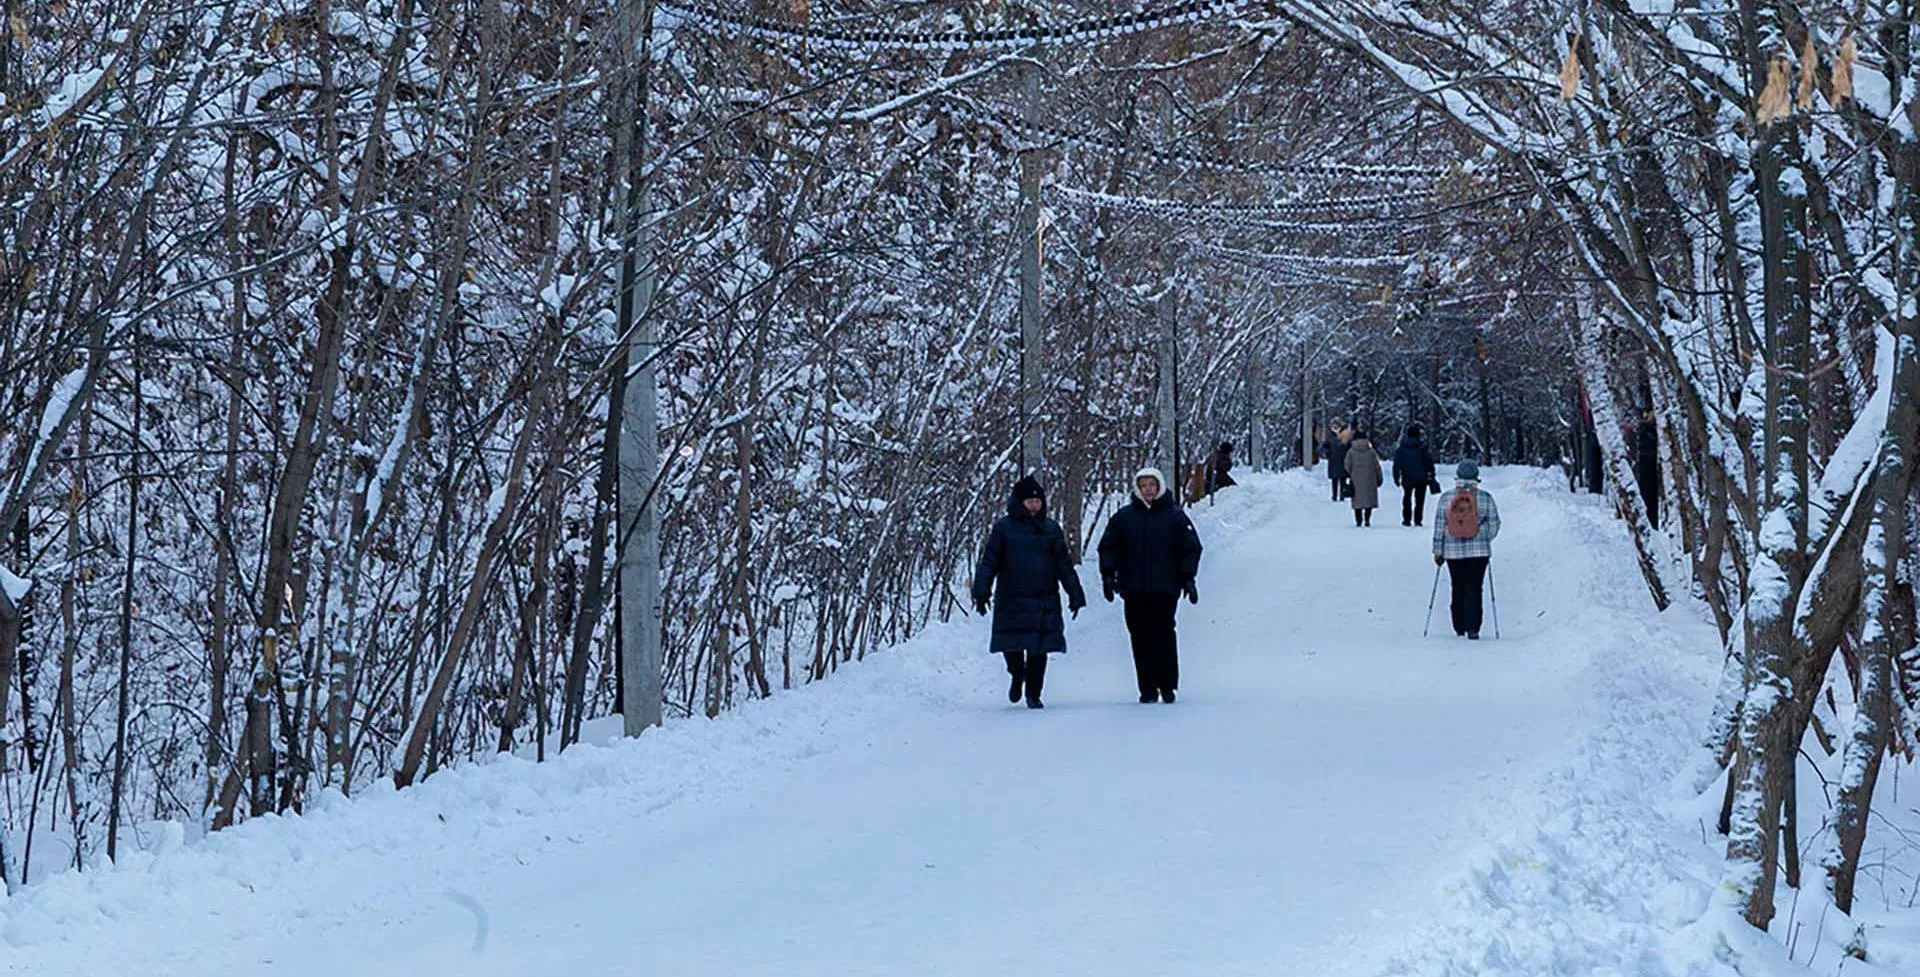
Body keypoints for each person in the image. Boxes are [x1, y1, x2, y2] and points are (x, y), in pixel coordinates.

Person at [972, 475, 1086, 709]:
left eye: (1038, 501)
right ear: (1019, 502)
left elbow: (1064, 565)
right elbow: (990, 561)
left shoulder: (1051, 529)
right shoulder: (1004, 528)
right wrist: (981, 591)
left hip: (1044, 597)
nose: (1034, 505)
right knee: (1011, 645)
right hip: (1011, 597)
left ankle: (1034, 694)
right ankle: (1016, 673)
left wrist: (1075, 594)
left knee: (1039, 649)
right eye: (1029, 501)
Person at [1098, 468, 1203, 704]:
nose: (1148, 490)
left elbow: (1191, 547)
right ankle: (1147, 687)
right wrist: (1108, 575)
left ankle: (1166, 684)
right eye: (1144, 485)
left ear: (1160, 487)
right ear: (1137, 488)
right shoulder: (1124, 518)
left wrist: (1188, 578)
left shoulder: (1175, 517)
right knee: (1139, 636)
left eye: (1152, 485)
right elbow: (1108, 547)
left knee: (1164, 634)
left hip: (1165, 588)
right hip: (1133, 588)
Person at [1432, 461, 1501, 640]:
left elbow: (1440, 526)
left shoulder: (1446, 498)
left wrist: (1438, 551)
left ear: (1458, 477)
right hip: (1479, 552)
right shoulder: (1485, 498)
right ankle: (1473, 628)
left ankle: (1459, 626)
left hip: (1453, 552)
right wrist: (1482, 537)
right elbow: (1494, 524)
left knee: (1457, 586)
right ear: (1476, 478)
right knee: (1475, 587)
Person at [1392, 424, 1438, 527]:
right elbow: (1429, 463)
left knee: (1407, 497)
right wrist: (1432, 475)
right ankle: (1418, 520)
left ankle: (1406, 519)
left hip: (1407, 477)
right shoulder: (1423, 448)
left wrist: (1396, 477)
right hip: (1422, 478)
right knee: (1420, 500)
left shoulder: (1401, 449)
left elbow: (1397, 464)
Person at [1344, 431, 1383, 526]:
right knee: (1368, 500)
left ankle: (1358, 520)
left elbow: (1347, 466)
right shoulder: (1371, 452)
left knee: (1357, 500)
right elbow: (1377, 466)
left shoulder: (1351, 452)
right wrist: (1379, 478)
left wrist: (1351, 474)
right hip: (1370, 479)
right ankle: (1367, 519)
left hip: (1356, 479)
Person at [1322, 423, 1351, 502]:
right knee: (1334, 480)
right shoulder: (1330, 436)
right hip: (1333, 460)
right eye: (1333, 426)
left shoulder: (1344, 435)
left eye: (1336, 425)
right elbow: (1325, 447)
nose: (1335, 427)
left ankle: (1342, 495)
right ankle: (1334, 495)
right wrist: (1328, 453)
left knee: (1343, 479)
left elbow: (1349, 447)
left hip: (1343, 460)